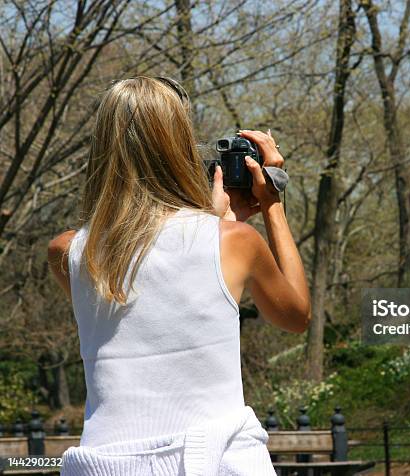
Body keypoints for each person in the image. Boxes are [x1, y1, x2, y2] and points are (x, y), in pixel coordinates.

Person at [47, 76, 311, 475]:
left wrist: (212, 225)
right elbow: (295, 316)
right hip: (217, 460)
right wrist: (271, 203)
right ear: (180, 149)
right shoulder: (234, 242)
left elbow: (144, 294)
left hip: (106, 464)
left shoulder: (66, 252)